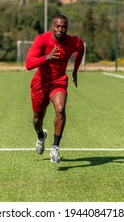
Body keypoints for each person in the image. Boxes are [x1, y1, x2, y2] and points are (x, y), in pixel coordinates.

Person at [25, 14, 84, 163]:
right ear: (52, 27)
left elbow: (80, 49)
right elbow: (28, 64)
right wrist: (46, 57)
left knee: (60, 109)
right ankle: (40, 135)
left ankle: (55, 147)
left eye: (64, 26)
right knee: (37, 119)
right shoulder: (41, 39)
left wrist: (75, 70)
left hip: (59, 80)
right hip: (41, 82)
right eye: (57, 26)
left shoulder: (74, 41)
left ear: (67, 28)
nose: (60, 29)